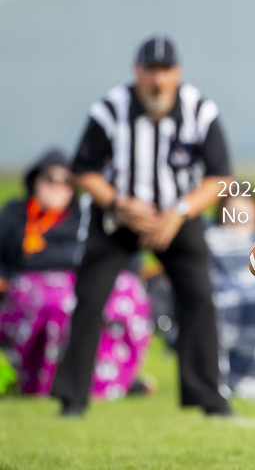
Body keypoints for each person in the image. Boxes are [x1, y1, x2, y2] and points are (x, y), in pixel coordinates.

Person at [51, 36, 233, 416]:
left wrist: (178, 212)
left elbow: (220, 179)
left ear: (178, 73)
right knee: (90, 295)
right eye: (150, 71)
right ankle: (72, 397)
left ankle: (209, 396)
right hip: (118, 215)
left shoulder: (199, 110)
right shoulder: (110, 109)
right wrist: (119, 204)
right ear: (136, 72)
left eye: (165, 71)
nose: (158, 80)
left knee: (199, 295)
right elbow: (83, 169)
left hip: (176, 215)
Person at [0, 149, 151, 398]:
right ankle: (47, 382)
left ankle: (113, 382)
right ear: (34, 180)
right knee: (62, 304)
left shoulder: (87, 214)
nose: (57, 187)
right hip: (32, 284)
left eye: (66, 181)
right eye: (49, 179)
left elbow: (121, 251)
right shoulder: (16, 215)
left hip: (85, 276)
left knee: (124, 297)